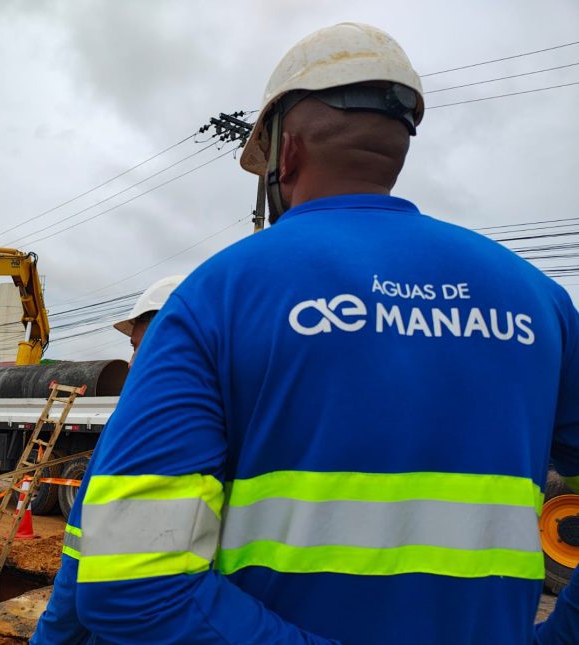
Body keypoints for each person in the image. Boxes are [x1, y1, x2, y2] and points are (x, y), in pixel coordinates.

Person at [71, 23, 579, 644]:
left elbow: (131, 583)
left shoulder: (218, 295)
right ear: (398, 146)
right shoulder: (540, 302)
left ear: (284, 154)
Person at [32, 275, 186, 645]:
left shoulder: (140, 423)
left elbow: (83, 559)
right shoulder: (240, 423)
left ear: (176, 341)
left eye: (137, 347)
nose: (131, 363)